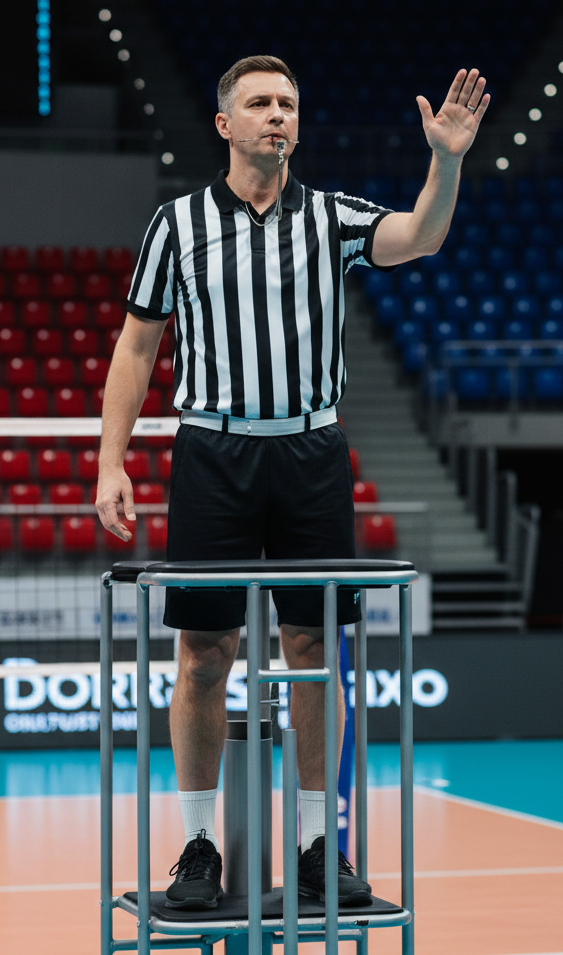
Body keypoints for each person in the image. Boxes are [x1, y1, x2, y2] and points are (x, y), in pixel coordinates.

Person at [95, 55, 490, 909]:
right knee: (203, 656)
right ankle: (199, 847)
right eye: (261, 104)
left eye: (289, 104)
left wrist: (447, 160)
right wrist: (109, 459)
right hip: (212, 453)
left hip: (311, 456)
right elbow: (136, 347)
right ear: (225, 124)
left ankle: (319, 849)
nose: (278, 116)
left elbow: (420, 235)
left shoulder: (335, 218)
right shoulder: (176, 225)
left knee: (315, 654)